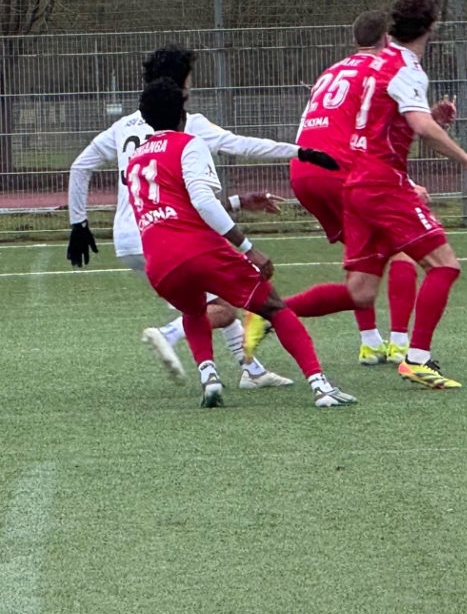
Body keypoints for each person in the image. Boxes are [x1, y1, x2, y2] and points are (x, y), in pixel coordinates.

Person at [66, 43, 333, 389]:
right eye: (190, 79)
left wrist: (79, 223)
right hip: (170, 236)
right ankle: (170, 333)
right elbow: (241, 145)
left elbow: (80, 167)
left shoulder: (123, 126)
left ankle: (250, 370)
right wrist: (300, 152)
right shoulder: (188, 125)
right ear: (181, 86)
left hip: (131, 237)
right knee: (224, 307)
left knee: (215, 299)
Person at [269, 0, 467, 387]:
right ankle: (417, 359)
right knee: (445, 266)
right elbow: (420, 127)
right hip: (381, 182)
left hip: (356, 183)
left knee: (360, 291)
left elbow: (388, 120)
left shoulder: (377, 63)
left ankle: (269, 311)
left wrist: (427, 120)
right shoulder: (406, 68)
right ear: (431, 27)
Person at [122, 79, 354, 409]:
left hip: (159, 262)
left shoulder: (135, 159)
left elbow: (172, 205)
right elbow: (203, 202)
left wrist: (238, 202)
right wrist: (248, 248)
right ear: (182, 113)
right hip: (198, 249)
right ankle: (321, 387)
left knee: (193, 310)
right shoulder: (188, 144)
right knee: (274, 307)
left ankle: (209, 378)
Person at [291, 9, 433, 366]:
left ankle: (370, 343)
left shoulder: (330, 72)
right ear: (387, 38)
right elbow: (371, 137)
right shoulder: (381, 69)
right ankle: (399, 343)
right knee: (402, 249)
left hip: (302, 172)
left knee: (364, 260)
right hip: (342, 170)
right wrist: (406, 184)